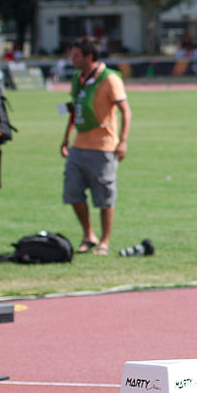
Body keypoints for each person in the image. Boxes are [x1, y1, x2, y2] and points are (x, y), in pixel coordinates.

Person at [60, 37, 131, 255]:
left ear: (89, 57)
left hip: (103, 147)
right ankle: (88, 234)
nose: (72, 59)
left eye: (76, 55)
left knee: (104, 197)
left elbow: (125, 111)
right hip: (78, 145)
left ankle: (104, 241)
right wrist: (65, 138)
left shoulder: (109, 79)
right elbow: (74, 110)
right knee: (72, 192)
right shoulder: (77, 79)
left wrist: (123, 140)